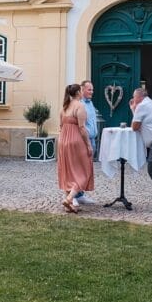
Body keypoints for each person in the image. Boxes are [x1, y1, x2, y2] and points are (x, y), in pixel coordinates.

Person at [57, 83, 94, 213]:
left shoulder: (64, 107)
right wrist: (88, 145)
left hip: (63, 141)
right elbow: (82, 128)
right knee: (84, 170)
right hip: (76, 141)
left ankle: (70, 203)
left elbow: (60, 126)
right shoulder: (80, 106)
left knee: (67, 171)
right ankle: (70, 198)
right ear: (79, 92)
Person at [71, 80, 100, 205]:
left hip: (92, 140)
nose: (92, 92)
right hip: (83, 140)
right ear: (82, 90)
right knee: (78, 169)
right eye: (89, 89)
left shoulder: (90, 103)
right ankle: (72, 196)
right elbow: (79, 125)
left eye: (92, 90)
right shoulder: (79, 104)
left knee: (87, 169)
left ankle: (80, 195)